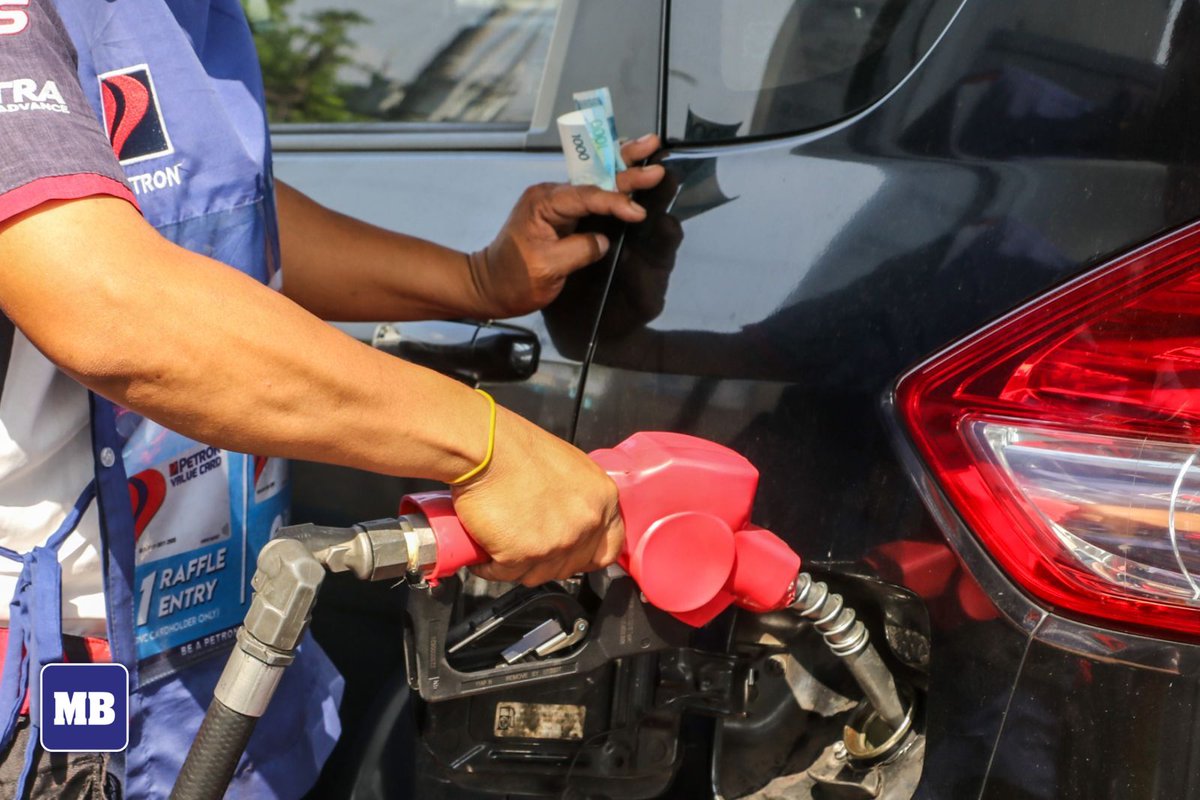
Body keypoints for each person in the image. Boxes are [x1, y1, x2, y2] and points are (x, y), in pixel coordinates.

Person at [0, 0, 666, 797]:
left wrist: (473, 281)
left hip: (212, 659)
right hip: (46, 690)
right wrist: (485, 446)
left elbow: (205, 213)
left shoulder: (188, 18)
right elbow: (108, 299)